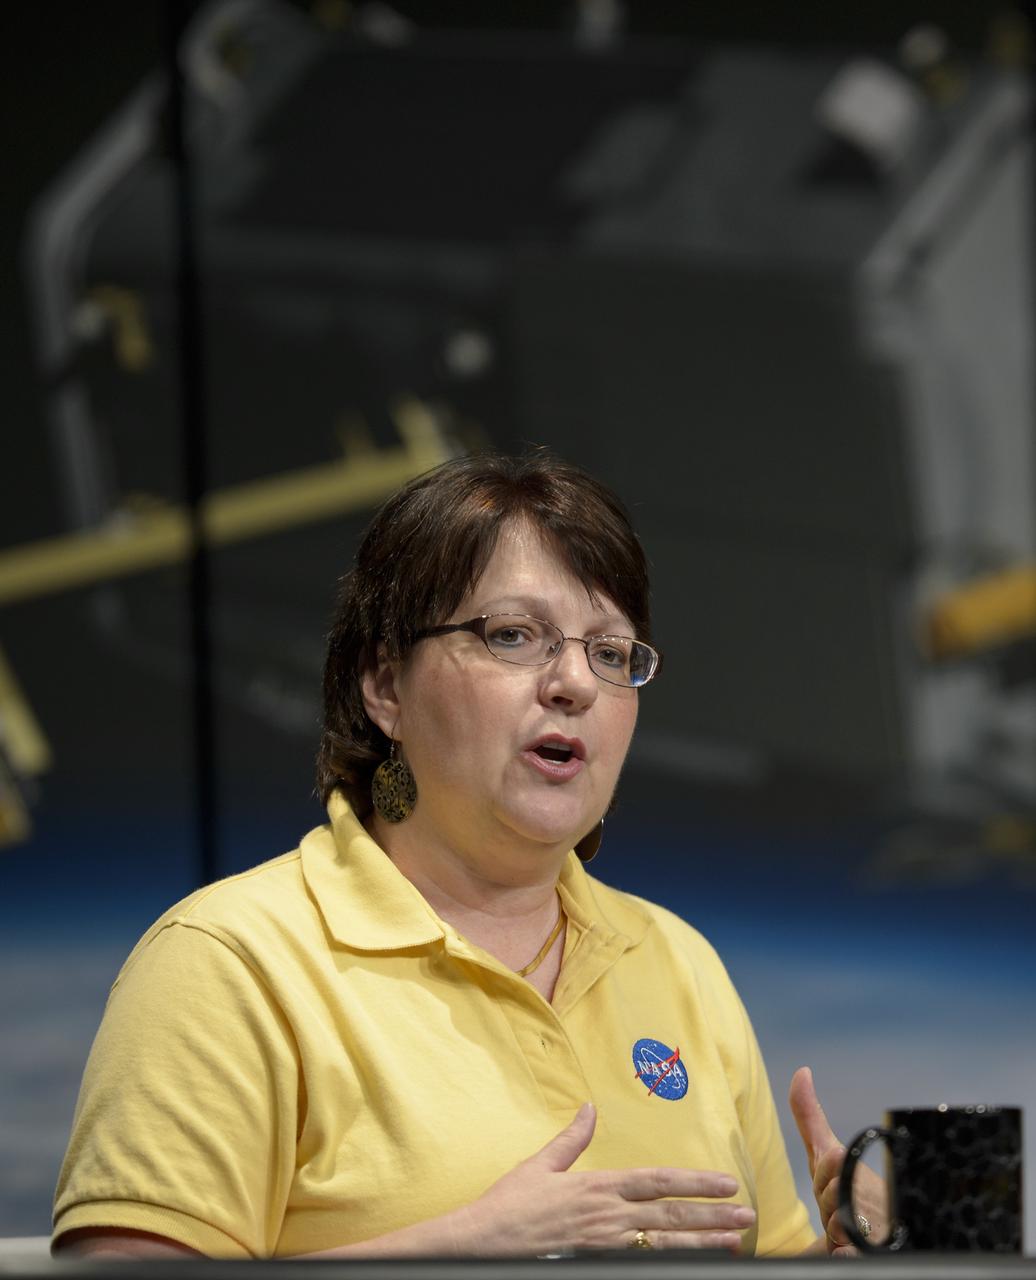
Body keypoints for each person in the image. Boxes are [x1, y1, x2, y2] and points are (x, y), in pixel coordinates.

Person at [53, 451, 884, 1259]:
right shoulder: (231, 963)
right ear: (386, 687)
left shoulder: (679, 962)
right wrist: (460, 1251)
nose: (575, 685)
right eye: (515, 635)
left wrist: (849, 1256)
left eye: (611, 652)